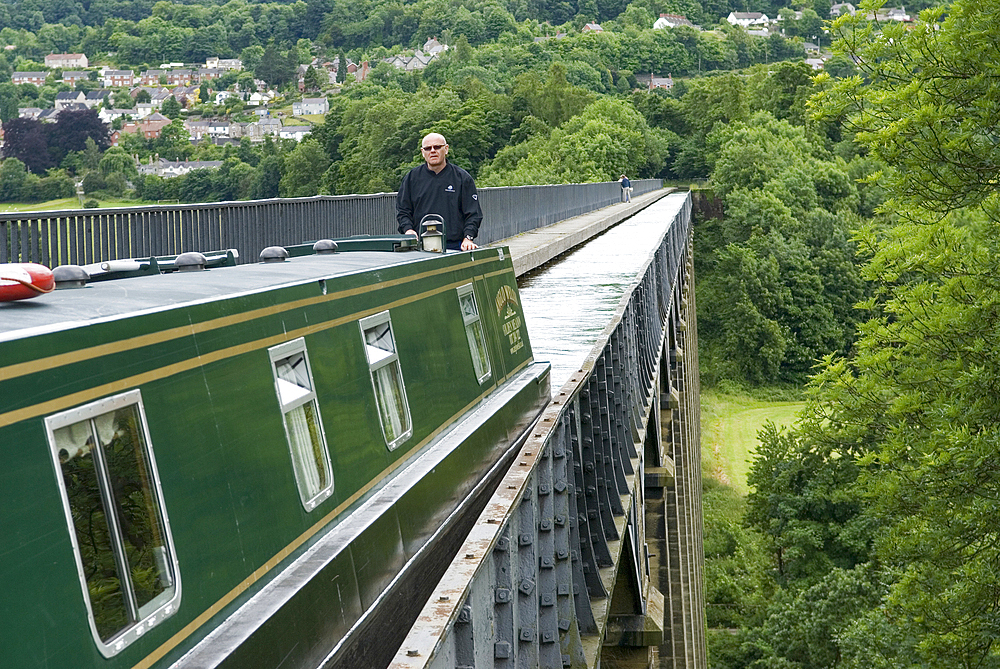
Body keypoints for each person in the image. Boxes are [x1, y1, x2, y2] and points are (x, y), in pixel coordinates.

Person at [397, 133, 482, 251]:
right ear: (422, 152)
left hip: (454, 246)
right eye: (428, 148)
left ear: (446, 149)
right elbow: (403, 211)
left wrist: (468, 238)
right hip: (419, 246)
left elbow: (473, 214)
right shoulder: (411, 178)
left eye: (437, 147)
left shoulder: (462, 178)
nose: (432, 151)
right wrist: (408, 230)